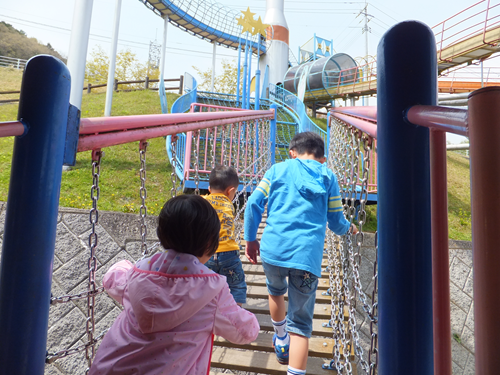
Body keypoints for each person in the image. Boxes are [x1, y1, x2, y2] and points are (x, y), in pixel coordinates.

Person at [89, 194, 259, 375]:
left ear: (161, 234)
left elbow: (112, 280)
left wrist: (124, 266)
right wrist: (253, 323)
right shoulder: (212, 290)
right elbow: (243, 331)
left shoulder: (139, 273)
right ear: (210, 243)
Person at [244, 132, 357, 375]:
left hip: (273, 252)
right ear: (323, 158)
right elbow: (336, 223)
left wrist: (251, 239)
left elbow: (253, 203)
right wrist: (351, 228)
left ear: (292, 153)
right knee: (302, 325)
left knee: (275, 291)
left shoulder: (277, 170)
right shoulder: (328, 177)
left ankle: (281, 340)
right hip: (307, 259)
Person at [204, 165, 247, 306]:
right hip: (229, 253)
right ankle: (235, 315)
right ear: (231, 191)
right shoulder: (229, 204)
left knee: (205, 286)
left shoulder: (201, 201)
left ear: (209, 189)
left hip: (206, 253)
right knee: (236, 286)